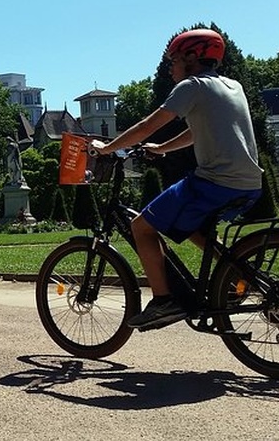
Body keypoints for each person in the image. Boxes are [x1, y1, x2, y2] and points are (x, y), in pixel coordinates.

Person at [91, 28, 263, 329]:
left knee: (141, 226)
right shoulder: (231, 86)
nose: (170, 67)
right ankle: (236, 275)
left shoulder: (192, 86)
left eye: (173, 60)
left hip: (214, 181)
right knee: (190, 227)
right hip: (249, 183)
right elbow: (200, 130)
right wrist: (163, 149)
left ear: (192, 57)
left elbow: (147, 125)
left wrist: (108, 147)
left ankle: (164, 302)